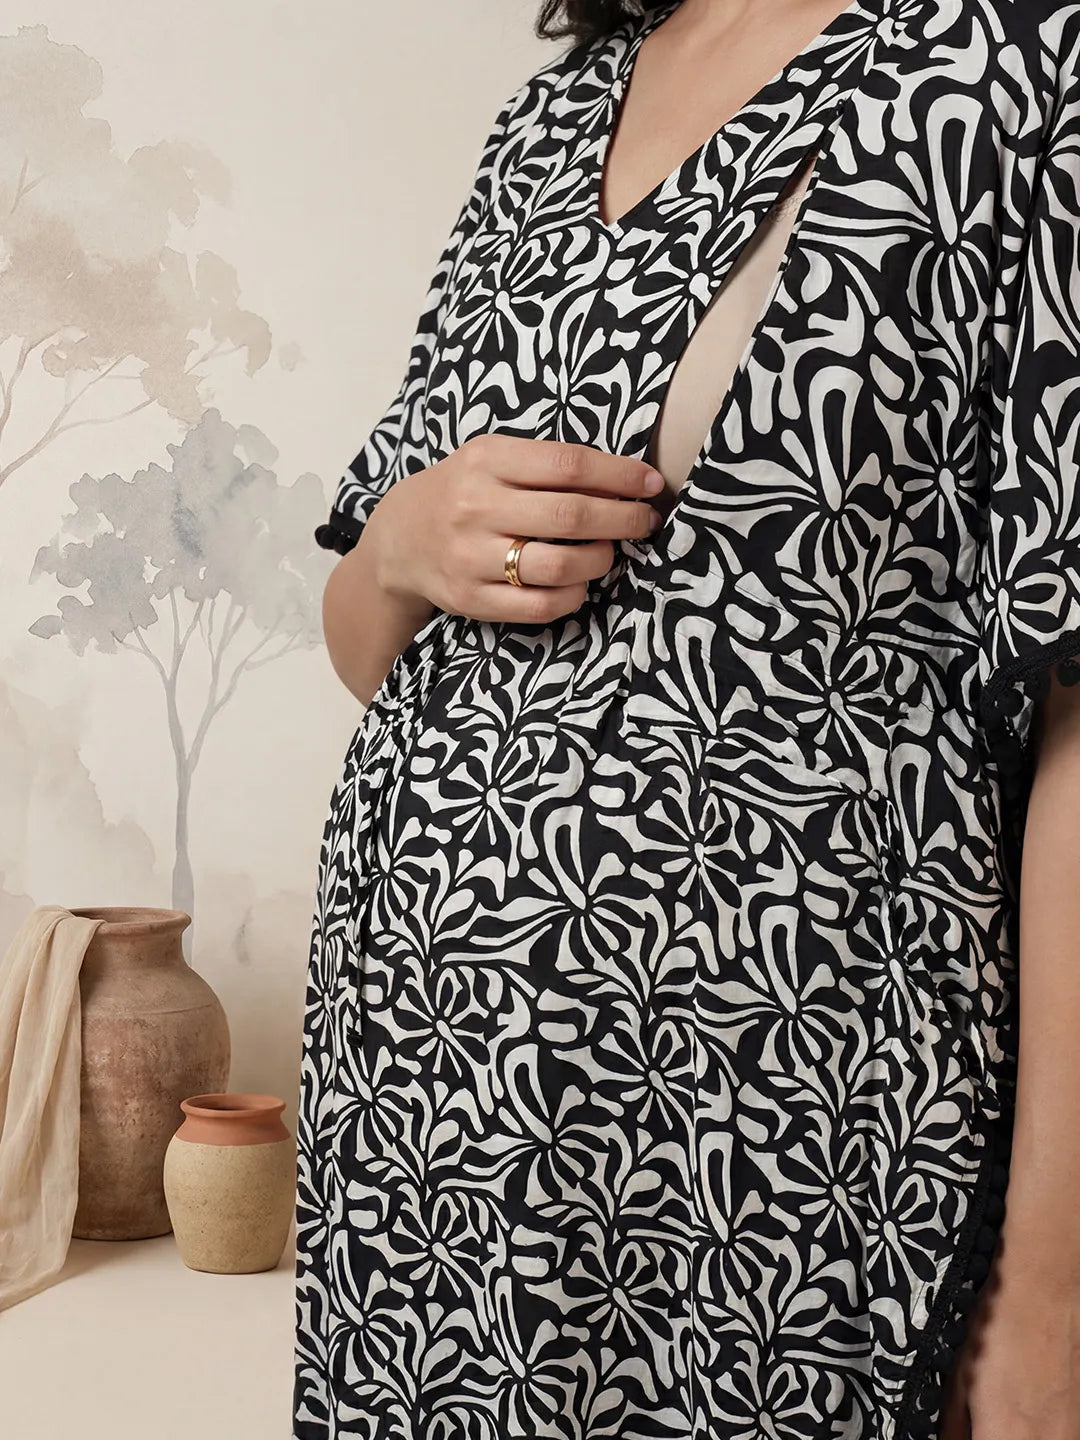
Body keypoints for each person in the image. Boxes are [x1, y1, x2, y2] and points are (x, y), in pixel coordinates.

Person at [293, 0, 1080, 1436]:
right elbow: (374, 659)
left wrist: (1049, 1302)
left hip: (774, 1141)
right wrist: (400, 542)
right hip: (414, 1114)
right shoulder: (552, 116)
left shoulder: (1022, 61)